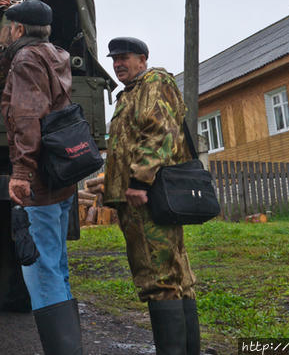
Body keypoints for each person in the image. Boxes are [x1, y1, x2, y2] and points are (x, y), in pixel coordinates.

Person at [98, 36, 200, 355]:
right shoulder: (130, 93)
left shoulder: (154, 82)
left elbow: (160, 132)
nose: (118, 64)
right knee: (175, 276)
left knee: (158, 276)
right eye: (114, 59)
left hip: (148, 196)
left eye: (124, 57)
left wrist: (139, 182)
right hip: (143, 196)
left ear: (142, 59)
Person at [2, 0, 82, 355]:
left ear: (18, 29)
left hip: (39, 182)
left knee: (41, 268)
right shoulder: (57, 55)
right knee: (57, 264)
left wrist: (21, 171)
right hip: (60, 173)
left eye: (9, 27)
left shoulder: (26, 59)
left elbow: (28, 117)